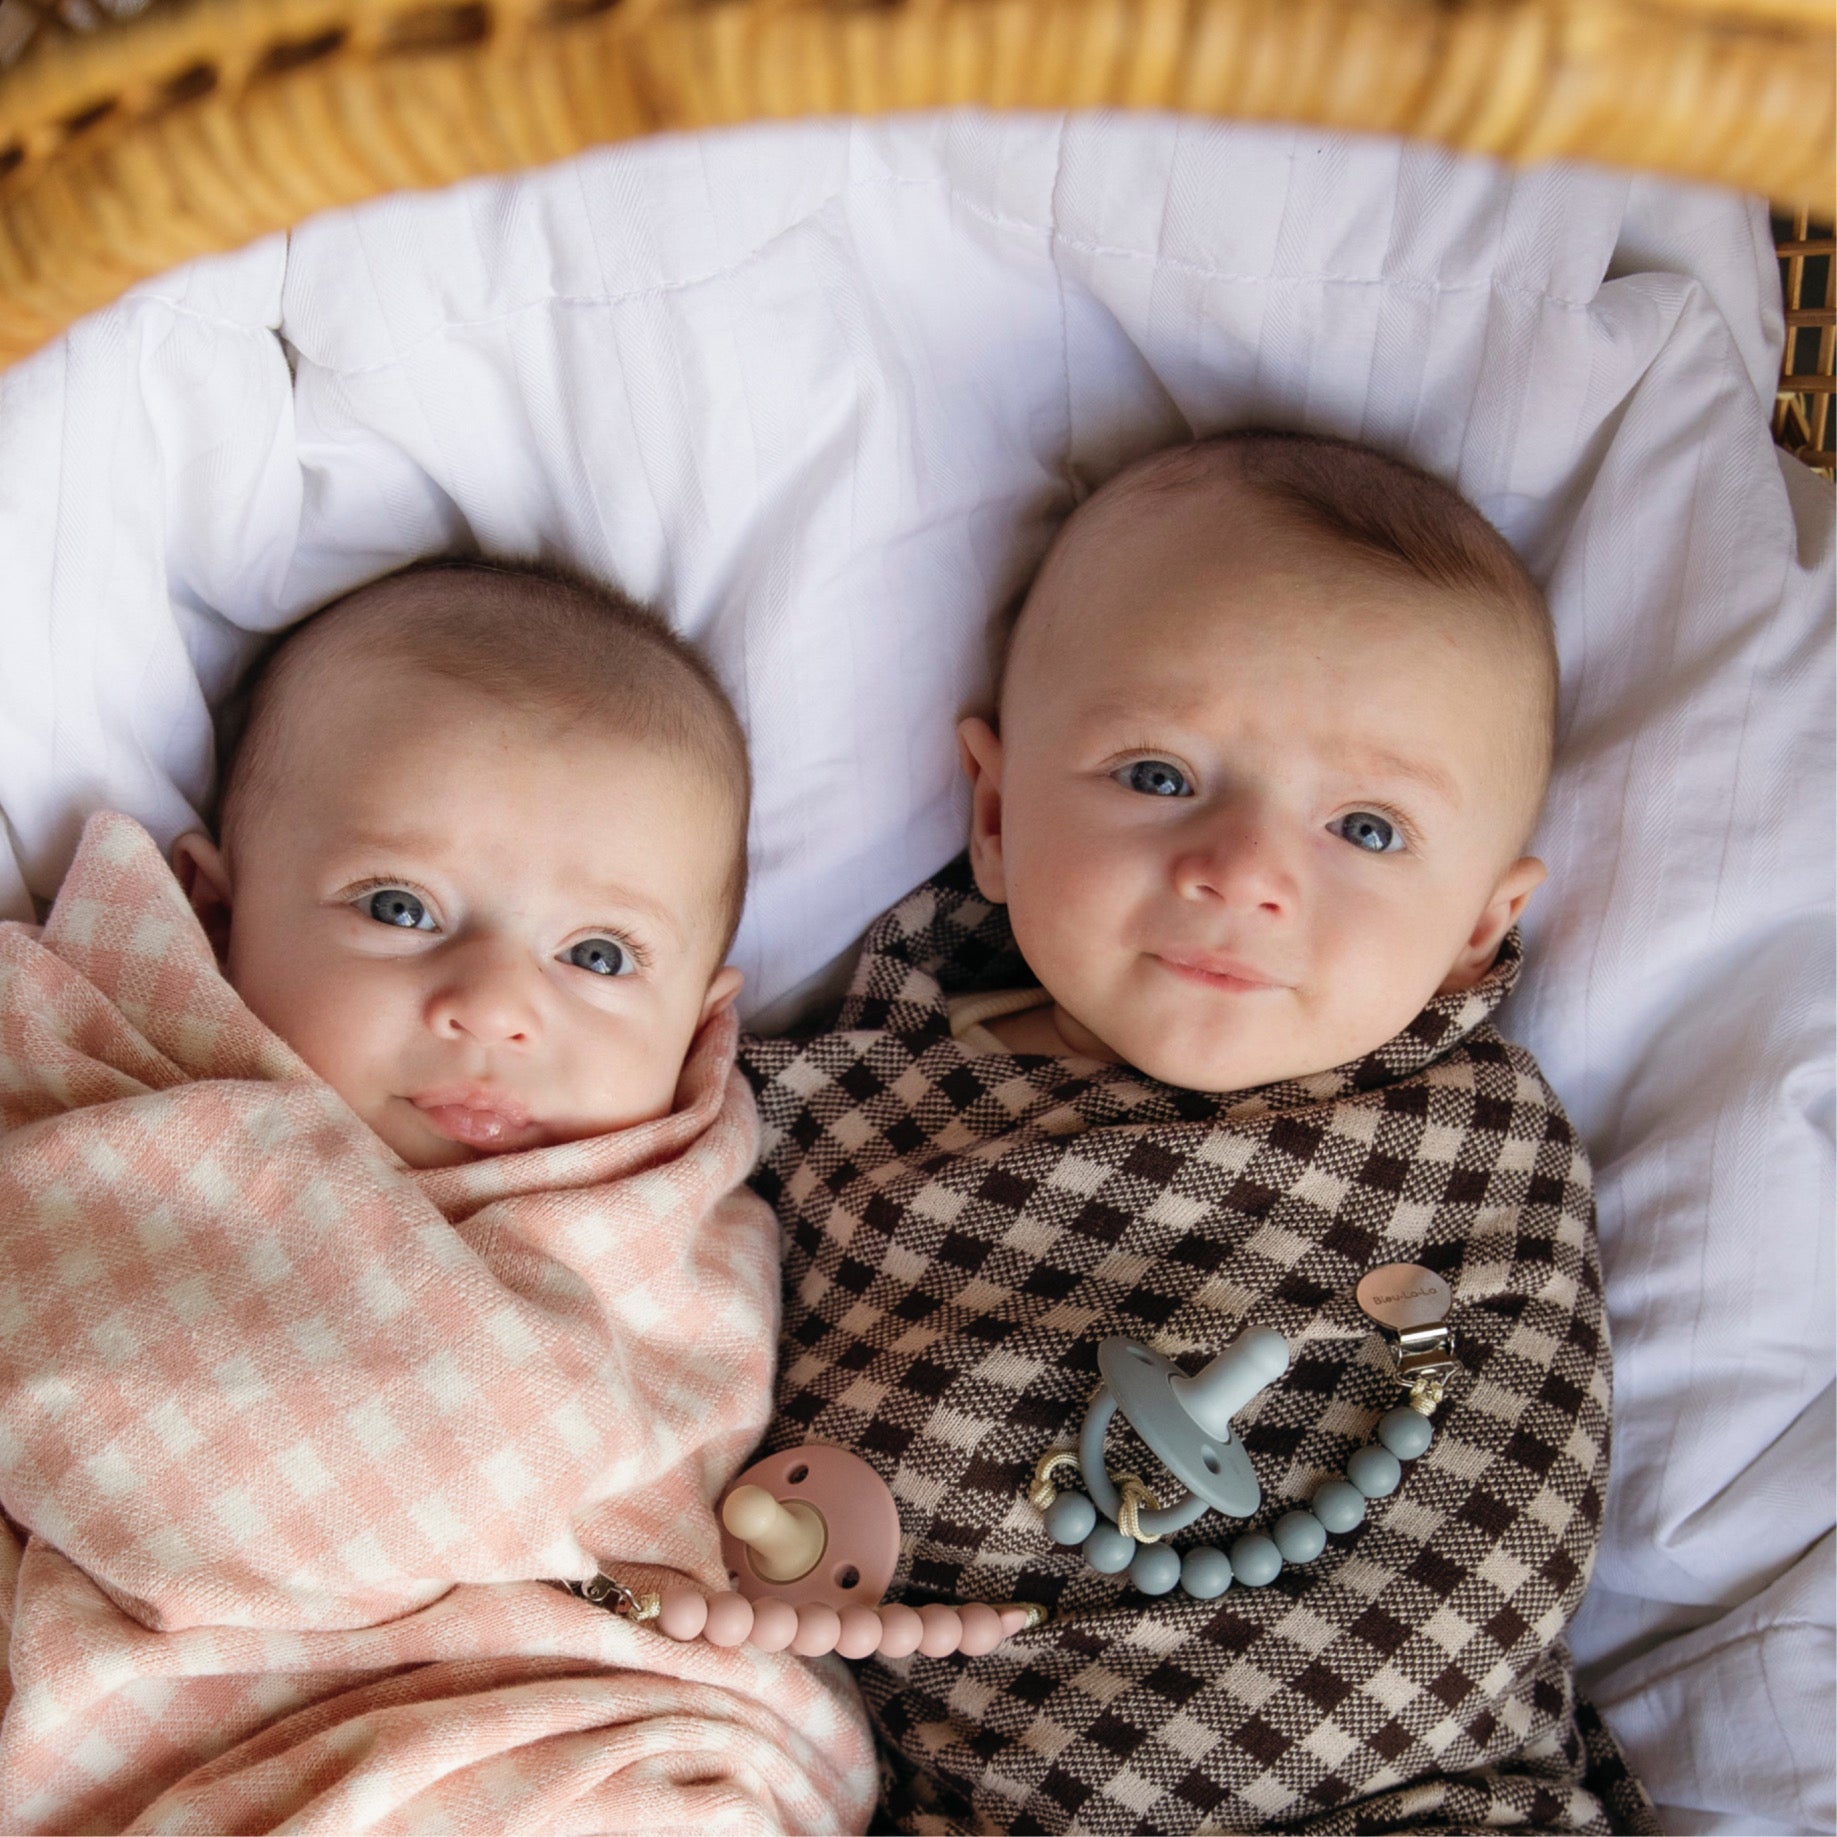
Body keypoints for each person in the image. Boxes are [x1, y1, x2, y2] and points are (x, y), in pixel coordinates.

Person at [743, 432, 1656, 1834]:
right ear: (997, 815)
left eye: (1365, 827)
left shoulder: (1473, 1150)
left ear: (1479, 928)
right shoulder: (838, 1107)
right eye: (1158, 775)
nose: (1240, 872)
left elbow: (1520, 1485)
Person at [0, 560, 875, 1833]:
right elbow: (78, 1385)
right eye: (401, 908)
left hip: (592, 1731)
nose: (496, 1006)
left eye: (596, 954)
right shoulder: (102, 1117)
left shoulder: (672, 1220)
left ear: (700, 1021)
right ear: (215, 913)